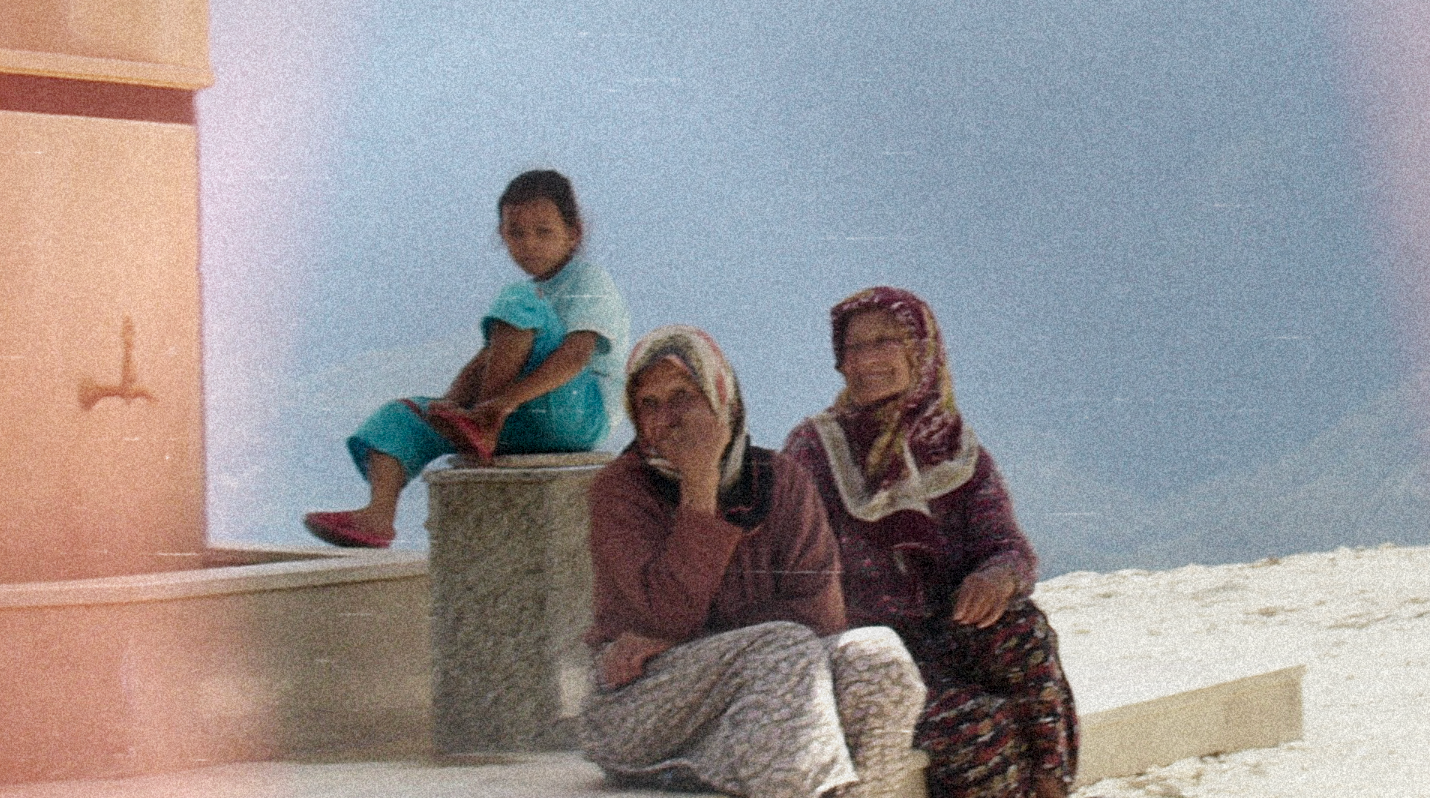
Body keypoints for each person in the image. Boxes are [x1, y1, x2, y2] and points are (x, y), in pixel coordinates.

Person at [581, 325, 927, 798]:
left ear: (721, 398)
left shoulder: (781, 481)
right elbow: (665, 613)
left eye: (683, 396)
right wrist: (699, 484)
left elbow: (821, 614)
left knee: (878, 657)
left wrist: (707, 640)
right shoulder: (621, 490)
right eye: (649, 404)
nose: (667, 418)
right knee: (781, 647)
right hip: (642, 705)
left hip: (764, 689)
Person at [783, 287, 1078, 798]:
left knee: (1024, 630)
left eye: (885, 341)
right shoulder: (815, 450)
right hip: (873, 658)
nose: (867, 359)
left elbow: (1007, 545)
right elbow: (793, 570)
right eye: (854, 347)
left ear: (921, 349)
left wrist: (996, 576)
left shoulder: (955, 448)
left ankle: (1052, 790)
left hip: (949, 637)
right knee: (980, 725)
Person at [304, 170, 630, 548]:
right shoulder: (527, 296)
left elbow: (575, 357)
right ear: (502, 235)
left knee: (518, 300)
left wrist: (497, 406)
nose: (529, 244)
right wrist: (452, 403)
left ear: (573, 234)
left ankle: (483, 427)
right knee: (403, 416)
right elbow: (485, 360)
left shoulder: (588, 281)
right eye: (516, 233)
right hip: (519, 414)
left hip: (579, 415)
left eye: (543, 232)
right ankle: (378, 515)